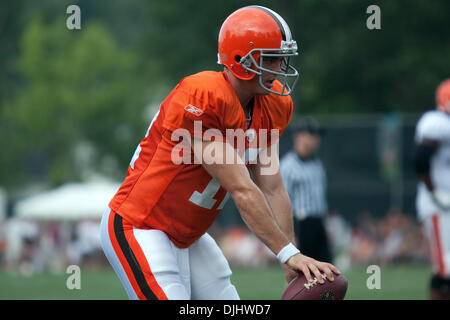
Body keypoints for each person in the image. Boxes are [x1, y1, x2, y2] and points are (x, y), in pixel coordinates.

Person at [99, 6, 340, 300]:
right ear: (242, 60)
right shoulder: (202, 97)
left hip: (189, 235)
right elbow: (242, 189)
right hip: (142, 225)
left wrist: (292, 255)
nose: (281, 68)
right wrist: (287, 253)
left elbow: (273, 188)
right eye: (273, 59)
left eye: (282, 58)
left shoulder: (273, 106)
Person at [413, 78, 450, 300]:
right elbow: (420, 159)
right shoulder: (436, 122)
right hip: (438, 205)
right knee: (445, 268)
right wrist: (434, 192)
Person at [280, 117, 333, 263]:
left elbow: (320, 200)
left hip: (318, 223)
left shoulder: (317, 165)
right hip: (300, 224)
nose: (316, 140)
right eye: (311, 134)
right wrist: (289, 234)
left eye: (317, 136)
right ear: (299, 136)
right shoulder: (288, 165)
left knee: (328, 270)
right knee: (301, 273)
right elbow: (281, 200)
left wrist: (326, 225)